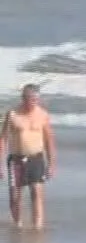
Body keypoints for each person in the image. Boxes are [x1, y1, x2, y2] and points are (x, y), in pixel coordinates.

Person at [3, 84, 55, 230]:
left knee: (37, 194)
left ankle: (37, 227)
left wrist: (51, 164)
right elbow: (3, 139)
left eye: (35, 99)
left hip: (36, 158)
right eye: (29, 99)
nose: (32, 102)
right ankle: (17, 225)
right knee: (15, 196)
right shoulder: (12, 114)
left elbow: (49, 140)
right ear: (23, 98)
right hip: (16, 160)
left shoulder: (43, 115)